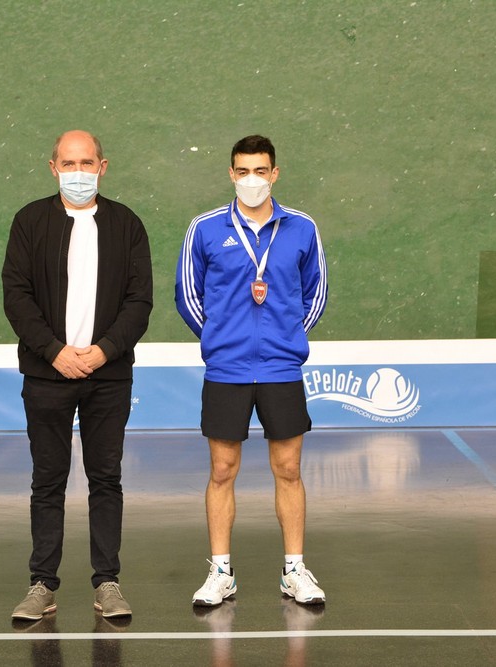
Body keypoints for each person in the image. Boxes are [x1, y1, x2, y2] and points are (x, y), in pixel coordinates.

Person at [3, 130, 153, 621]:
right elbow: (16, 296)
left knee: (105, 479)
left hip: (108, 377)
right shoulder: (29, 221)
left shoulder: (127, 225)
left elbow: (139, 302)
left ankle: (107, 582)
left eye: (87, 163)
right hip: (47, 375)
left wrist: (104, 352)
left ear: (103, 167)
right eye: (68, 164)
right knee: (48, 480)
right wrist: (55, 352)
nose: (78, 173)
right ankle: (42, 585)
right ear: (53, 168)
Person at [175, 135, 328, 607]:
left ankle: (294, 570)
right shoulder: (204, 228)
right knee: (222, 470)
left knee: (289, 469)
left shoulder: (302, 228)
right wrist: (220, 340)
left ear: (274, 174)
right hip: (227, 369)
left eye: (260, 171)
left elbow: (316, 294)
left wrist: (285, 338)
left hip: (281, 368)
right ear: (231, 174)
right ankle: (221, 572)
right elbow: (188, 294)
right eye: (243, 171)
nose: (252, 180)